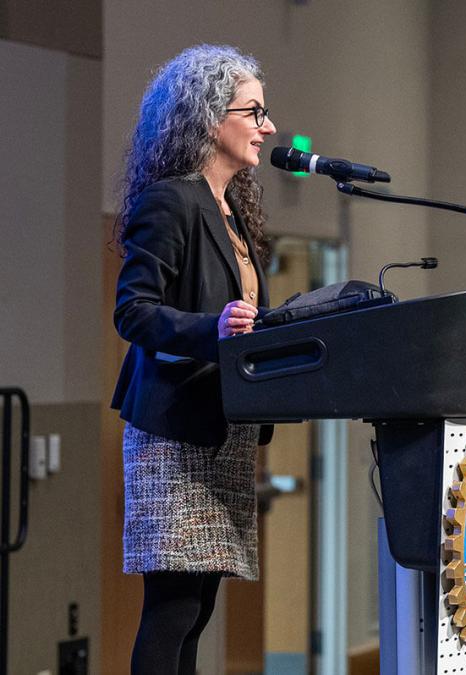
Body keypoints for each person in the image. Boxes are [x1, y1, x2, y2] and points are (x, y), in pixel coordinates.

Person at [110, 44, 277, 673]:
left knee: (199, 609)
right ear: (211, 119)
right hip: (173, 433)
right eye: (254, 111)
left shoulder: (232, 211)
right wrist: (214, 330)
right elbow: (133, 312)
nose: (268, 126)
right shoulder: (172, 201)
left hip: (222, 431)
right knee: (174, 607)